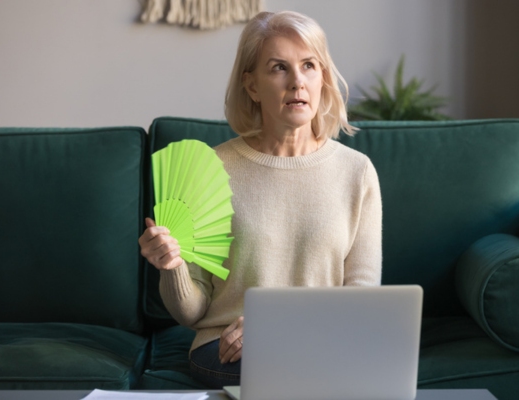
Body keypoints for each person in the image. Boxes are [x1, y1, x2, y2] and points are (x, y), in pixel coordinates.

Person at [138, 10, 382, 389]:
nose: (297, 81)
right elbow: (193, 312)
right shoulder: (213, 168)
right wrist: (172, 268)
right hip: (231, 350)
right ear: (252, 86)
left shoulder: (357, 171)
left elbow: (363, 296)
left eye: (309, 66)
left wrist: (281, 326)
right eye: (278, 68)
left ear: (323, 78)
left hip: (323, 342)